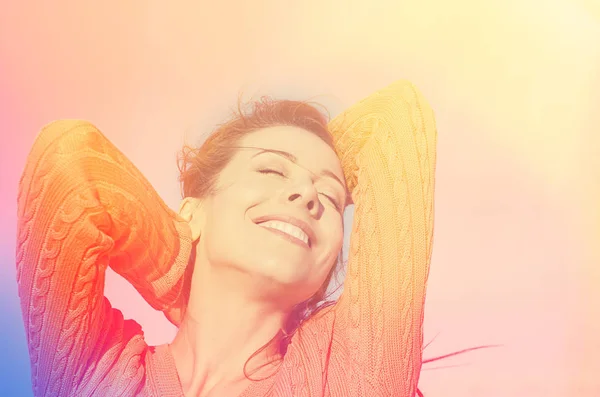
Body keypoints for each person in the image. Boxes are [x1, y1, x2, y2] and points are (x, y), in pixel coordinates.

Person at [16, 80, 437, 396]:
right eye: (272, 170)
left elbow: (392, 122)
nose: (308, 195)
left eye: (329, 195)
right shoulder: (97, 369)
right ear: (193, 213)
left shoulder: (340, 371)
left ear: (326, 267)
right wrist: (179, 256)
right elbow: (69, 159)